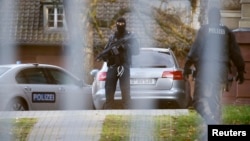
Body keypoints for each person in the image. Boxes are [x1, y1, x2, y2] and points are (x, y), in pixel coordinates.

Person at [183, 7, 245, 125]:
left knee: (198, 101)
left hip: (206, 70)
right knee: (214, 101)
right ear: (219, 18)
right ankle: (214, 126)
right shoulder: (227, 31)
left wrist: (187, 66)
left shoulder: (204, 30)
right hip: (221, 72)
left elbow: (195, 50)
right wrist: (241, 70)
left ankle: (212, 122)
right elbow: (236, 53)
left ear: (209, 18)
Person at [96, 17, 139, 109]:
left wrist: (125, 47)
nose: (120, 26)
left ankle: (127, 109)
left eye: (122, 24)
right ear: (116, 24)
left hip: (124, 65)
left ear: (125, 24)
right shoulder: (112, 38)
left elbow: (136, 51)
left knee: (125, 89)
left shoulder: (130, 36)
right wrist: (105, 56)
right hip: (113, 66)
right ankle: (108, 108)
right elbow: (106, 50)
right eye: (118, 24)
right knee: (109, 88)